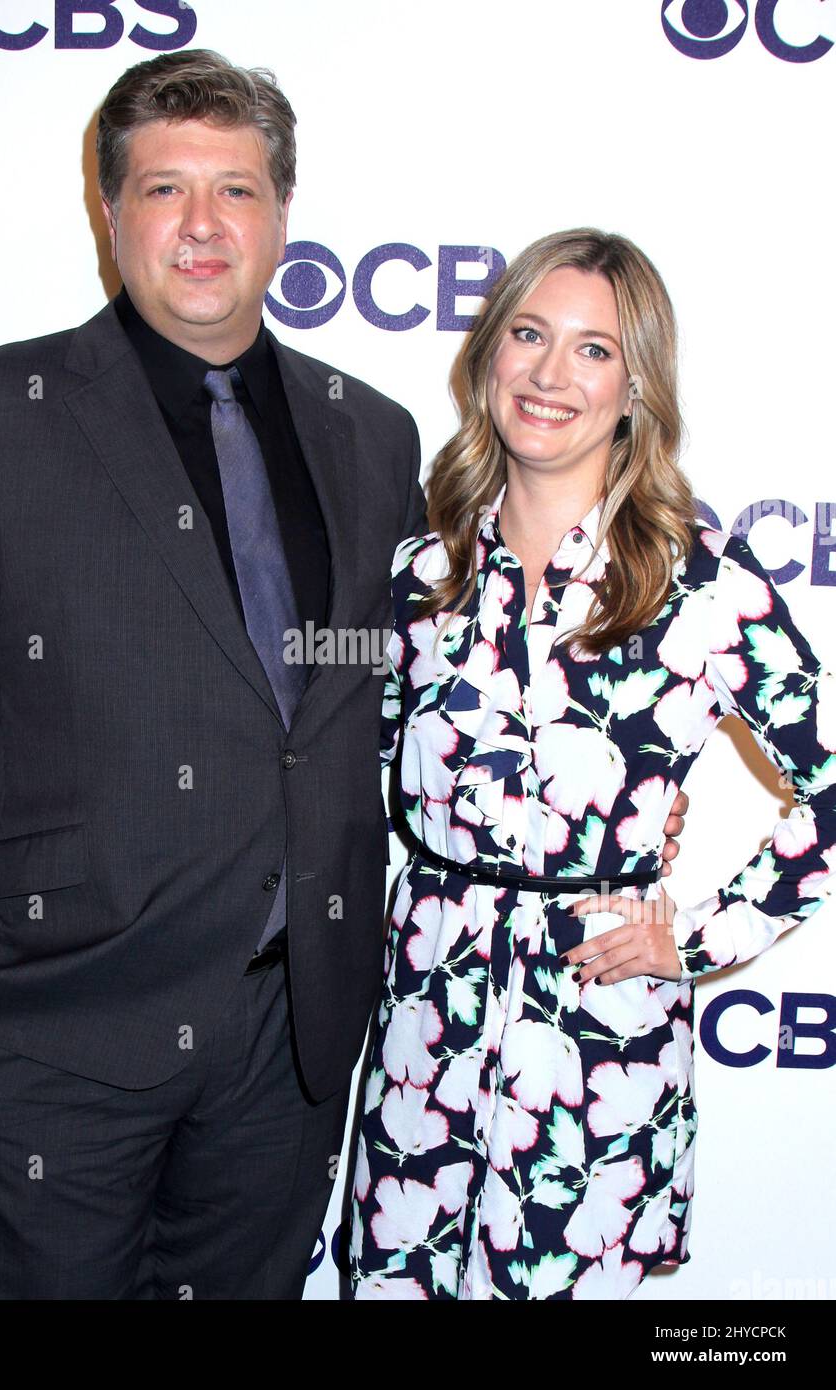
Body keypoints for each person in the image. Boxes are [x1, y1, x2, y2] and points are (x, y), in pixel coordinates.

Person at [0, 48, 431, 1301]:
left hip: (289, 1042)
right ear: (110, 213)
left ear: (283, 218)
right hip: (45, 1034)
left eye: (238, 190)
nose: (204, 226)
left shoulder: (372, 431)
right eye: (165, 190)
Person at [349, 228, 836, 1301]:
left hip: (593, 1055)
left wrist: (700, 937)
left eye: (593, 350)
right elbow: (348, 785)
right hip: (424, 1040)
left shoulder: (702, 588)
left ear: (637, 390)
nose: (549, 373)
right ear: (488, 355)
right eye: (528, 334)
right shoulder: (415, 578)